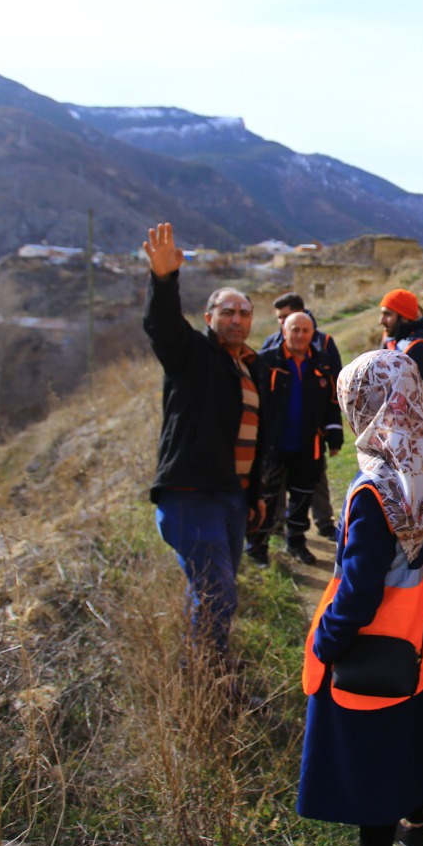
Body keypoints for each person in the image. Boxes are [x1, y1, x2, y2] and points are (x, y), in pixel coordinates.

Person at [299, 349, 423, 846]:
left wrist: (325, 642)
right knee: (419, 742)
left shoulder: (372, 491)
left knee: (373, 765)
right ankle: (416, 826)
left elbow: (359, 591)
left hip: (378, 658)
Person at [140, 222, 266, 670]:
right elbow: (162, 326)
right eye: (226, 311)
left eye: (244, 313)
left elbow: (251, 441)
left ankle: (201, 671)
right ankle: (212, 680)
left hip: (230, 497)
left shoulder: (249, 369)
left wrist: (252, 498)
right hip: (192, 493)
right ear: (209, 317)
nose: (236, 319)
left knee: (212, 588)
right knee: (218, 593)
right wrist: (163, 280)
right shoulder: (192, 354)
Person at [250, 311, 343, 567]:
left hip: (308, 446)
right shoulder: (266, 362)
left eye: (305, 330)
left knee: (302, 498)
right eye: (295, 330)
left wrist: (334, 436)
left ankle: (296, 542)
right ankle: (257, 547)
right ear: (284, 331)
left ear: (313, 334)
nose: (300, 335)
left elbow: (331, 405)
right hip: (272, 446)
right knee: (267, 499)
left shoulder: (322, 365)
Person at [379, 288, 423, 388]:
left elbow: (409, 394)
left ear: (404, 317)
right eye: (382, 314)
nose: (381, 320)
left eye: (387, 314)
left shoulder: (418, 348)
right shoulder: (393, 336)